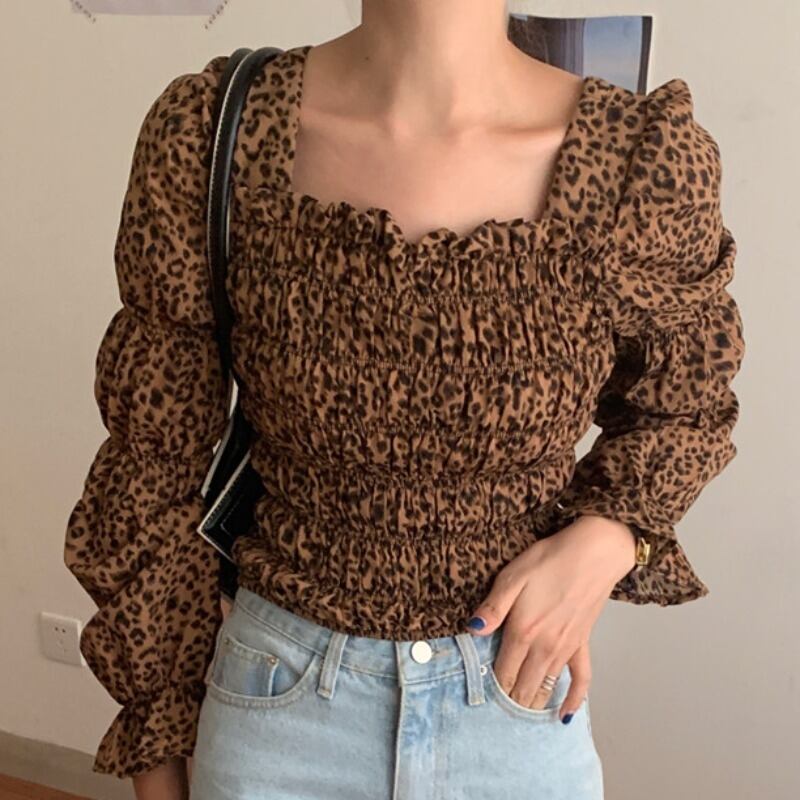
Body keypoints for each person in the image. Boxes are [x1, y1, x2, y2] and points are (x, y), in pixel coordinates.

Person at [63, 1, 745, 798]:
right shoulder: (214, 132)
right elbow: (150, 463)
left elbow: (688, 401)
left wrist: (609, 537)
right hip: (276, 715)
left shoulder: (642, 159)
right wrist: (157, 747)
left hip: (514, 707)